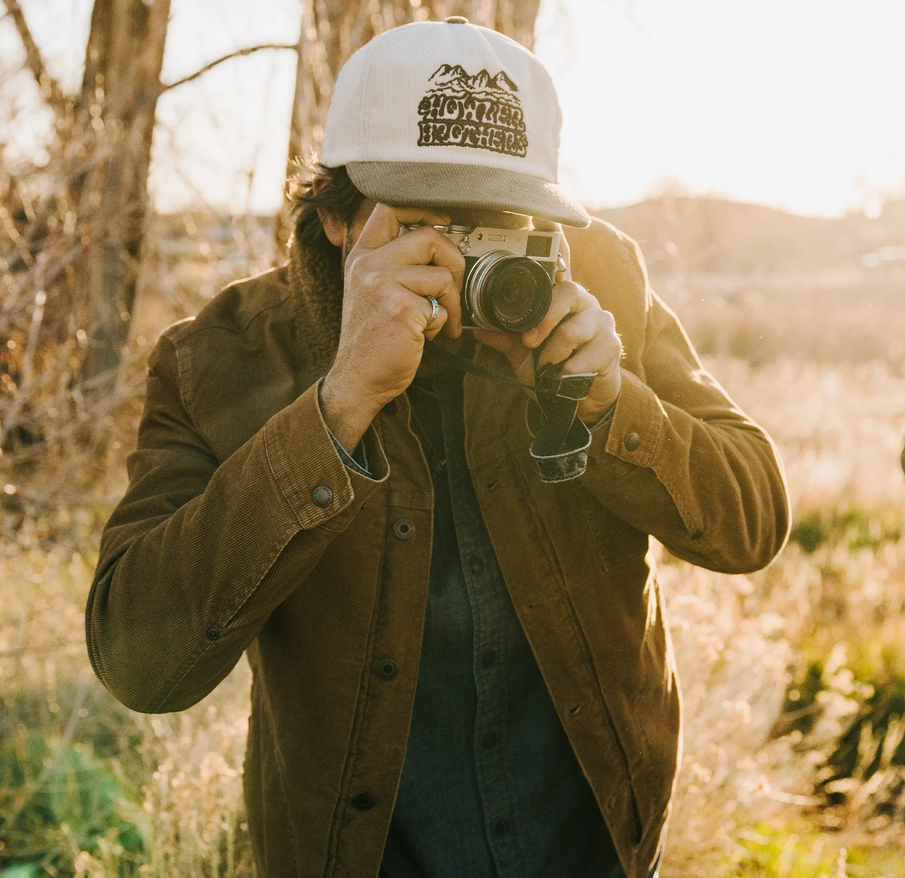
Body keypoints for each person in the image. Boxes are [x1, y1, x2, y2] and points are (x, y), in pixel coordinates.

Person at [86, 17, 790, 878]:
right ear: (338, 217)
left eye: (498, 223)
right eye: (430, 226)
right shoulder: (219, 358)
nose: (471, 263)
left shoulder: (596, 279)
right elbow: (139, 664)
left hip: (592, 839)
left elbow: (752, 524)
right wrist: (339, 405)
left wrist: (610, 402)